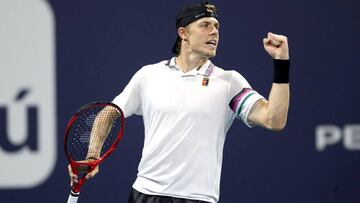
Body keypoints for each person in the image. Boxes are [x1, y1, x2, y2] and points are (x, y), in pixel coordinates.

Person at [69, 1, 290, 203]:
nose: (214, 31)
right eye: (205, 25)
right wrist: (92, 155)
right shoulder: (149, 75)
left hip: (197, 198)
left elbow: (273, 120)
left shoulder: (228, 82)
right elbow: (109, 112)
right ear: (183, 33)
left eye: (216, 26)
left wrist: (281, 63)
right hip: (145, 195)